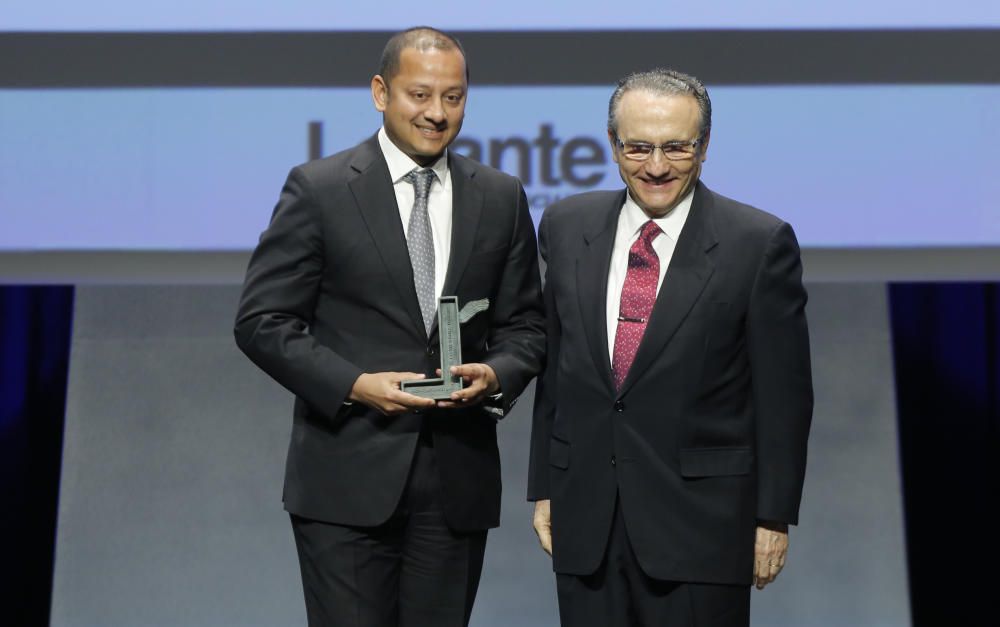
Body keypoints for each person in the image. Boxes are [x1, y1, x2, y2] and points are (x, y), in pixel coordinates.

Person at [234, 27, 545, 627]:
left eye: (453, 98)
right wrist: (354, 384)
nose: (436, 113)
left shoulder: (500, 197)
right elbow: (262, 321)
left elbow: (527, 325)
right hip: (347, 476)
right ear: (381, 92)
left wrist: (496, 374)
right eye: (420, 95)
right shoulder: (320, 189)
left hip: (457, 481)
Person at [527, 68, 813, 626]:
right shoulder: (565, 226)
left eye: (676, 148)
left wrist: (772, 519)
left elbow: (785, 397)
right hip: (588, 519)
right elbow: (557, 371)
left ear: (704, 147)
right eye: (638, 147)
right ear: (612, 146)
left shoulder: (757, 244)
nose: (656, 166)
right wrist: (546, 485)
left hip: (703, 530)